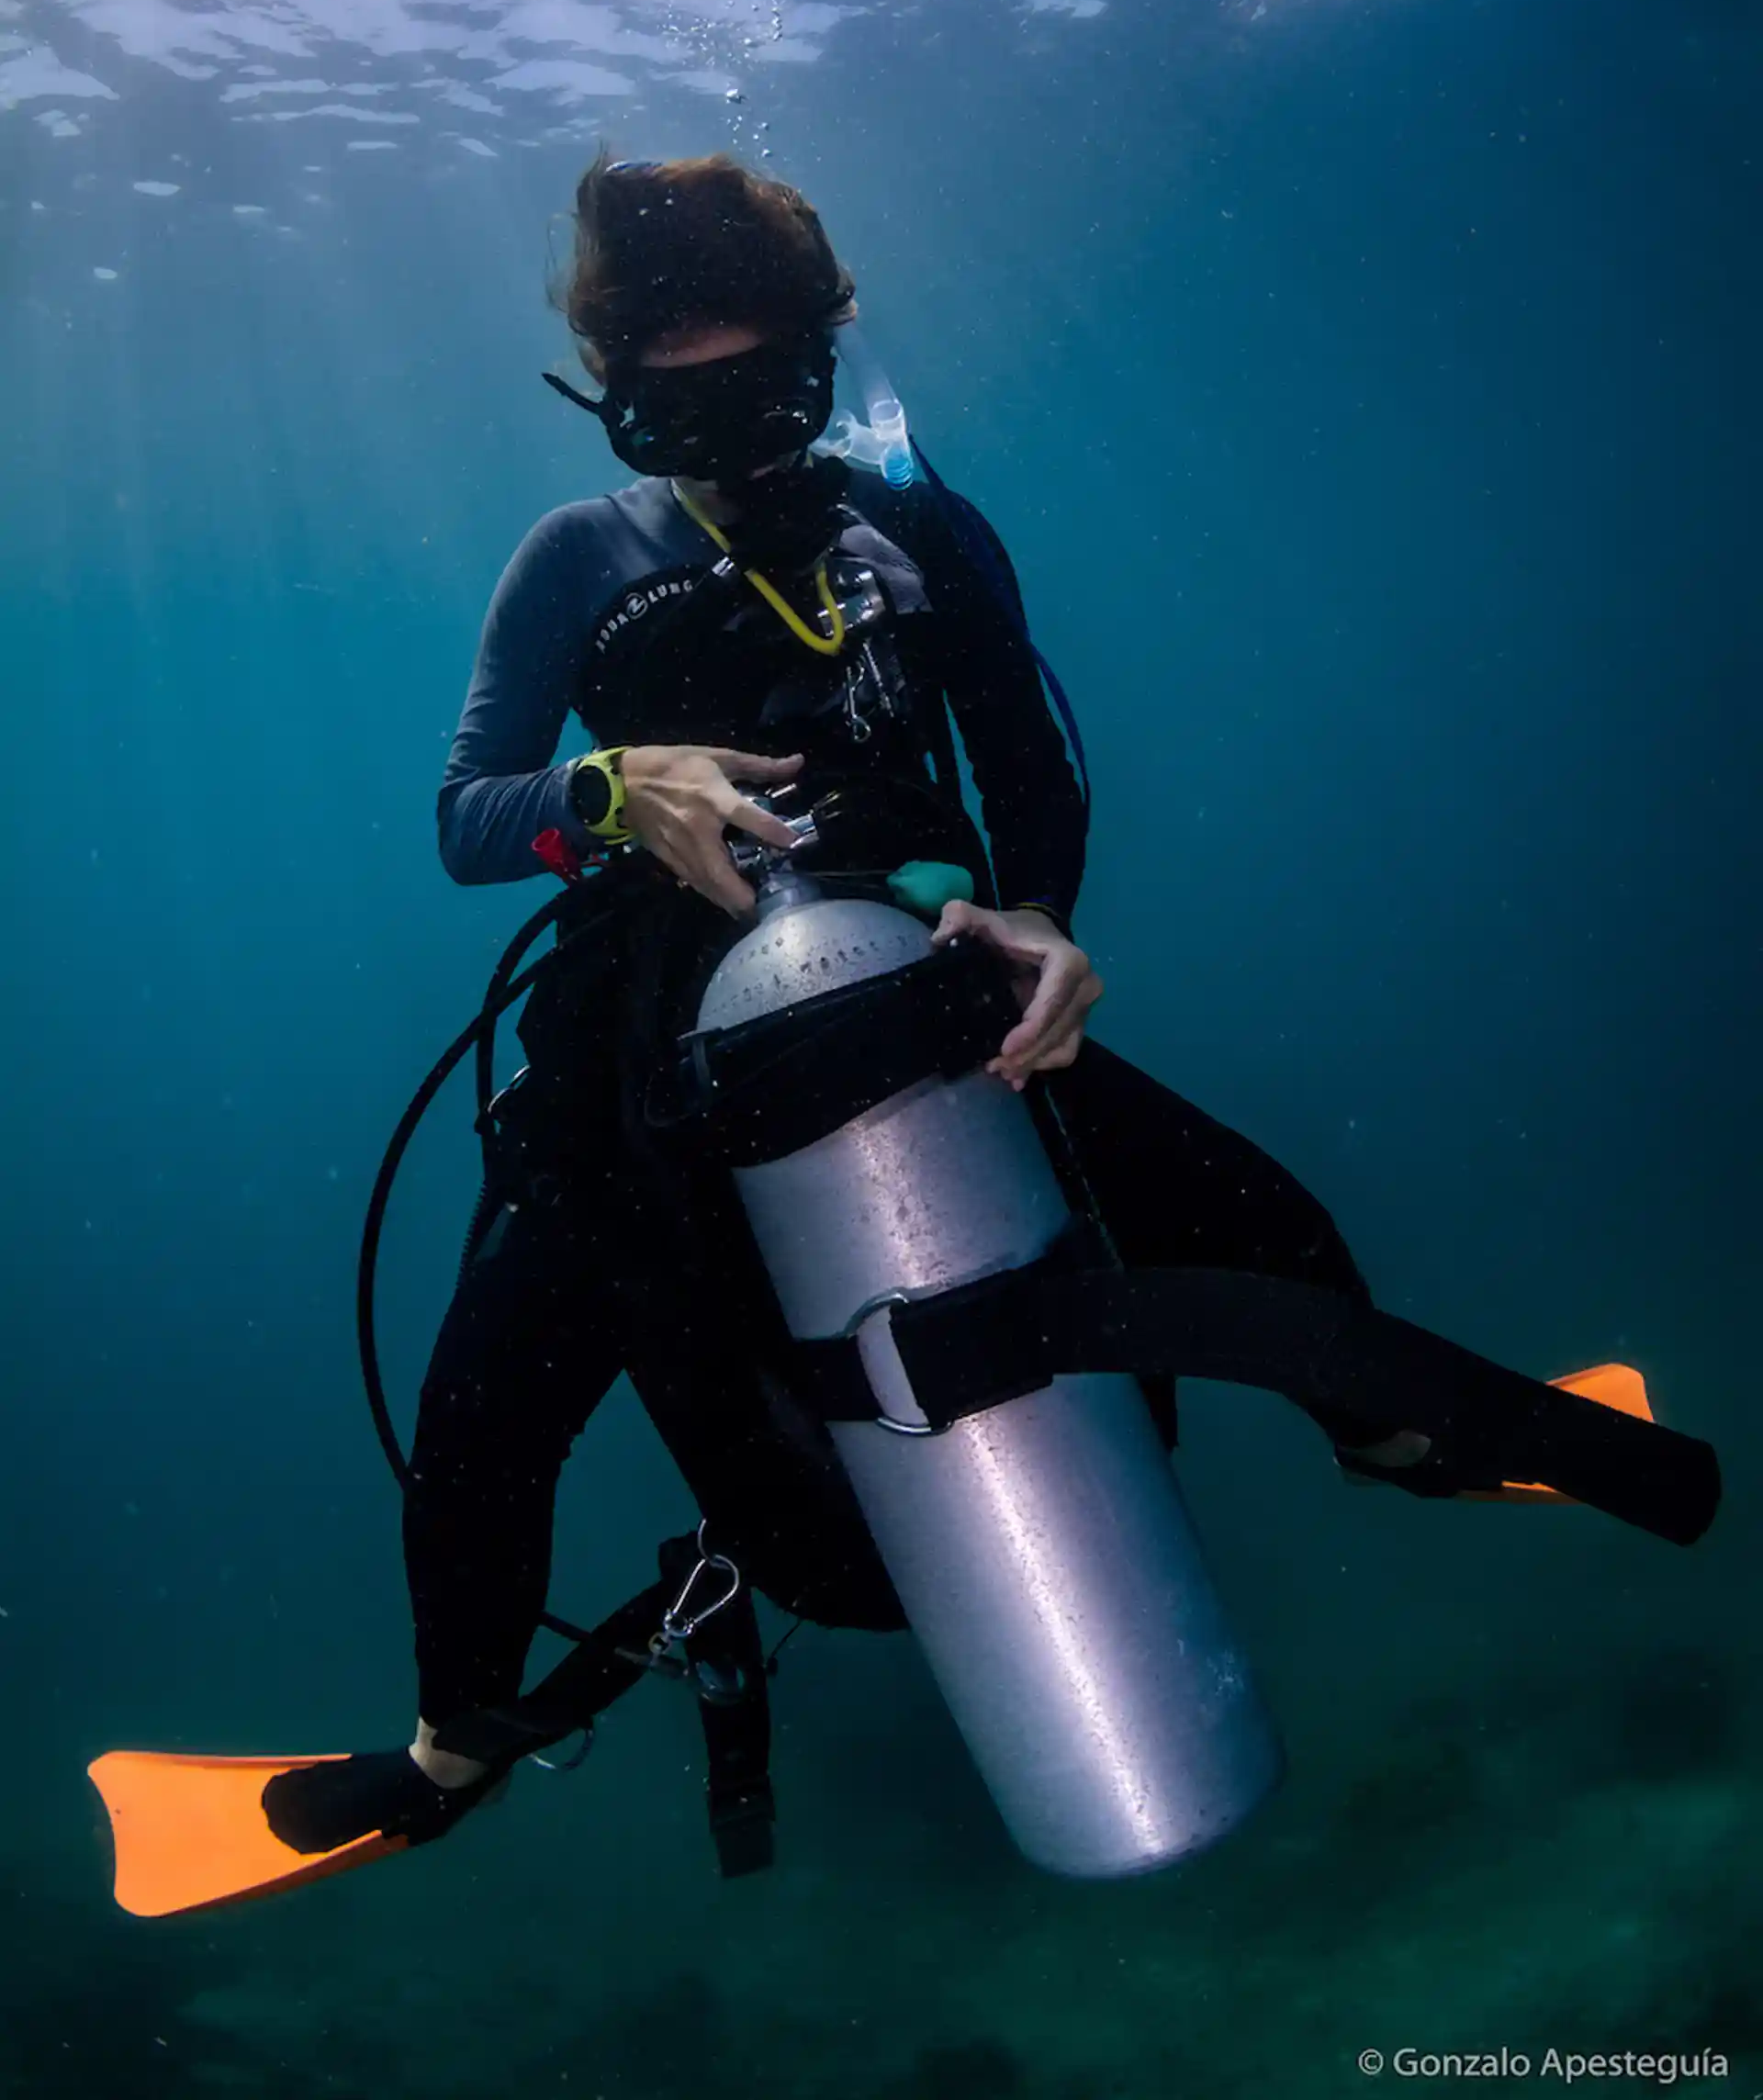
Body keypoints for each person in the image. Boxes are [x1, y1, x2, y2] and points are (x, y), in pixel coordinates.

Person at [384, 151, 1417, 1820]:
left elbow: (1033, 768)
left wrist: (1042, 920)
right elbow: (461, 819)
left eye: (770, 393)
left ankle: (1400, 1445)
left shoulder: (920, 525)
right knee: (485, 1404)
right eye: (675, 413)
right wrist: (606, 788)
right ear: (612, 399)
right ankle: (449, 1746)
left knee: (1274, 1227)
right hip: (652, 1064)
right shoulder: (573, 555)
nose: (735, 445)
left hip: (934, 1009)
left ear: (824, 356)